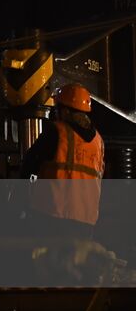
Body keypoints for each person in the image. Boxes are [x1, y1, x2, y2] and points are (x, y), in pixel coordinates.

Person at [23, 83, 104, 239]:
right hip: (86, 221)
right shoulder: (98, 142)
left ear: (65, 111)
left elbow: (30, 163)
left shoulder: (57, 131)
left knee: (46, 261)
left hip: (53, 217)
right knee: (76, 262)